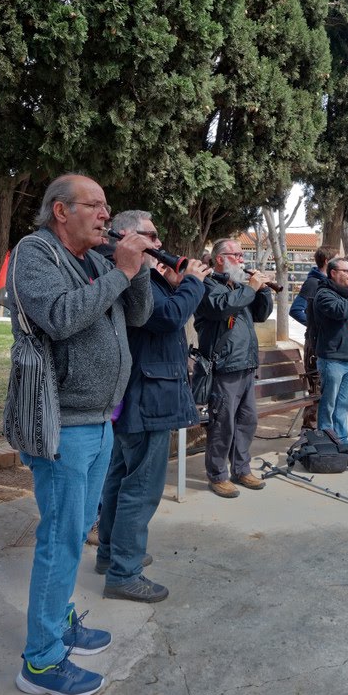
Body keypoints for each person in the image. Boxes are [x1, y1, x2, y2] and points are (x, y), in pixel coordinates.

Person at [6, 174, 152, 695]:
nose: (104, 215)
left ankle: (61, 619)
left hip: (98, 419)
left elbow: (137, 316)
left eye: (107, 206)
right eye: (94, 205)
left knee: (76, 529)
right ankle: (41, 660)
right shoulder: (35, 252)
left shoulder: (98, 259)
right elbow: (60, 319)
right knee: (61, 537)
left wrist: (135, 273)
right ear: (60, 211)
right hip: (61, 422)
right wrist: (120, 272)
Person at [95, 211, 210, 602]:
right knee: (141, 488)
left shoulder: (140, 273)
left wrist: (177, 282)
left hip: (142, 393)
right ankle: (124, 572)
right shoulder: (128, 272)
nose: (160, 245)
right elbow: (168, 316)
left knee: (121, 478)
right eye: (152, 236)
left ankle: (111, 555)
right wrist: (193, 283)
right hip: (147, 395)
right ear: (126, 235)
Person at [195, 237, 275, 497]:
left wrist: (262, 290)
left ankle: (241, 468)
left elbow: (261, 315)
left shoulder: (239, 285)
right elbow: (221, 308)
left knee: (247, 420)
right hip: (223, 365)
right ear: (220, 259)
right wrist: (250, 288)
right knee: (222, 424)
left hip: (246, 364)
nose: (242, 260)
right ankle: (217, 474)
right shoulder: (208, 284)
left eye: (242, 255)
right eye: (237, 255)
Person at [312, 258, 348, 442]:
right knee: (329, 403)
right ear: (333, 273)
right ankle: (327, 440)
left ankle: (342, 440)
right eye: (346, 271)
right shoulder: (324, 294)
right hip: (333, 359)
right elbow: (340, 311)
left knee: (344, 404)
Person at [293, 248, 334, 430]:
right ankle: (309, 433)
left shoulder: (329, 284)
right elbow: (295, 310)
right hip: (315, 345)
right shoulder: (313, 282)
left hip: (327, 345)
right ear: (326, 261)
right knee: (315, 392)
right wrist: (315, 326)